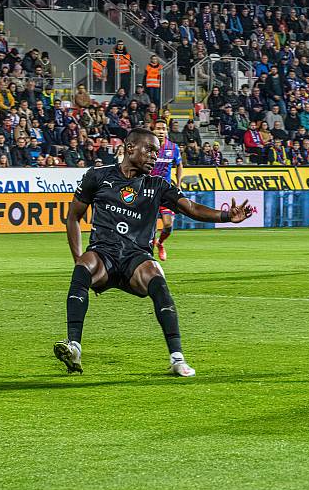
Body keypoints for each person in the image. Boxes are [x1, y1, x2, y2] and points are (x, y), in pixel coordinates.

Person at [54, 128, 253, 377]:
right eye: (149, 150)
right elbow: (73, 217)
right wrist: (78, 262)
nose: (154, 157)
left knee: (156, 273)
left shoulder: (157, 185)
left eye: (157, 152)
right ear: (129, 148)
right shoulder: (97, 176)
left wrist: (225, 216)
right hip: (103, 254)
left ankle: (177, 359)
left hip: (136, 258)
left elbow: (190, 207)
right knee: (84, 266)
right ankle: (74, 348)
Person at [150, 119, 183, 261]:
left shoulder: (173, 147)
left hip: (165, 192)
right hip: (148, 191)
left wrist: (179, 183)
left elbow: (179, 165)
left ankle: (160, 243)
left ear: (167, 131)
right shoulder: (148, 146)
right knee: (149, 226)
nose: (161, 131)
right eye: (158, 129)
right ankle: (148, 252)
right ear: (153, 131)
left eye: (163, 129)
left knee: (168, 225)